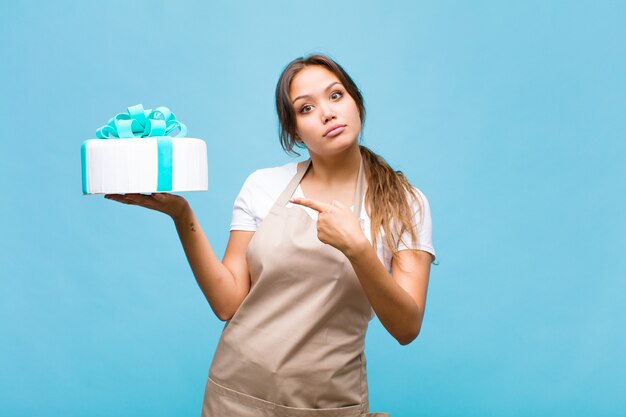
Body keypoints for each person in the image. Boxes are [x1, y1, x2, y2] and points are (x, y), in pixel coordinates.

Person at [105, 53, 436, 417]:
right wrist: (181, 215)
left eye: (336, 96)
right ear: (294, 130)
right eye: (306, 108)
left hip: (328, 405)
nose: (326, 113)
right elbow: (227, 302)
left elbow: (407, 327)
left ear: (356, 102)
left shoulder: (405, 202)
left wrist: (357, 248)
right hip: (235, 396)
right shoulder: (263, 185)